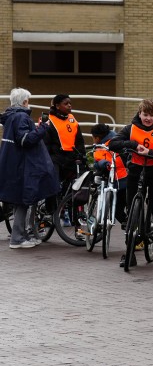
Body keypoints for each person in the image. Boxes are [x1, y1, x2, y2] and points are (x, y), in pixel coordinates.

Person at [109, 99, 153, 268]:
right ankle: (130, 252)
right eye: (145, 115)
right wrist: (132, 144)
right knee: (132, 210)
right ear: (139, 113)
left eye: (151, 115)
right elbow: (113, 143)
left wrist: (152, 152)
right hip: (135, 173)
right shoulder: (130, 129)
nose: (148, 118)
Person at [0, 88, 60, 248]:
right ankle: (17, 238)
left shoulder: (11, 117)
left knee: (21, 201)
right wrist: (42, 128)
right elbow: (25, 140)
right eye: (28, 100)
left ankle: (22, 235)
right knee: (23, 201)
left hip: (13, 164)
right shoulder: (21, 117)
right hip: (21, 165)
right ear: (24, 102)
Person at [43, 93, 86, 188]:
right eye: (66, 103)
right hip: (56, 158)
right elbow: (46, 143)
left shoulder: (73, 120)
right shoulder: (48, 120)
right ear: (57, 106)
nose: (69, 105)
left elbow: (79, 141)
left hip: (71, 157)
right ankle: (52, 203)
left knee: (76, 185)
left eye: (70, 103)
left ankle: (68, 202)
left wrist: (82, 156)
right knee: (53, 185)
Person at [90, 123, 128, 224]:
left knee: (117, 208)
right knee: (117, 209)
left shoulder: (110, 145)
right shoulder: (104, 144)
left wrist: (102, 164)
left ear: (97, 138)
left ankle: (129, 224)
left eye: (93, 138)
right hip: (117, 181)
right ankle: (128, 224)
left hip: (120, 181)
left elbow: (104, 162)